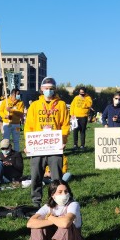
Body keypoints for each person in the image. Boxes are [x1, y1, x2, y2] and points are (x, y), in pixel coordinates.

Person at [18, 180, 85, 240]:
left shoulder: (73, 204)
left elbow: (65, 223)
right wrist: (53, 220)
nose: (64, 194)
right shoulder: (48, 206)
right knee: (38, 223)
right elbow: (30, 223)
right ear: (53, 195)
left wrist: (51, 217)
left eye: (66, 191)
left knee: (65, 225)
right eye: (60, 192)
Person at [24, 77, 70, 209]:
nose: (48, 91)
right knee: (36, 176)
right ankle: (36, 202)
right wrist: (28, 145)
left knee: (56, 178)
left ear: (54, 90)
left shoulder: (61, 105)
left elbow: (65, 125)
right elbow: (28, 127)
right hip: (38, 148)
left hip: (55, 147)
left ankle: (57, 201)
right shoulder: (34, 105)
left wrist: (63, 140)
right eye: (46, 89)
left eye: (51, 89)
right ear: (41, 89)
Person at [0, 88, 25, 152]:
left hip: (17, 124)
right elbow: (0, 111)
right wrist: (5, 116)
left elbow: (21, 113)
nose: (19, 95)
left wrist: (11, 110)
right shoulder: (5, 101)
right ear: (13, 94)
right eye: (17, 94)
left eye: (19, 94)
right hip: (7, 123)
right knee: (6, 139)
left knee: (16, 140)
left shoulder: (21, 103)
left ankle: (16, 153)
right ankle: (5, 153)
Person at [69, 87, 93, 151]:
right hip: (75, 117)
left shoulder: (88, 98)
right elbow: (72, 106)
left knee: (82, 131)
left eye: (83, 93)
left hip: (83, 116)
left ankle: (82, 145)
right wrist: (72, 115)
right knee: (75, 131)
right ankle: (75, 145)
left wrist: (83, 98)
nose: (81, 94)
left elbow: (89, 105)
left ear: (85, 92)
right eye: (80, 92)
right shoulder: (76, 98)